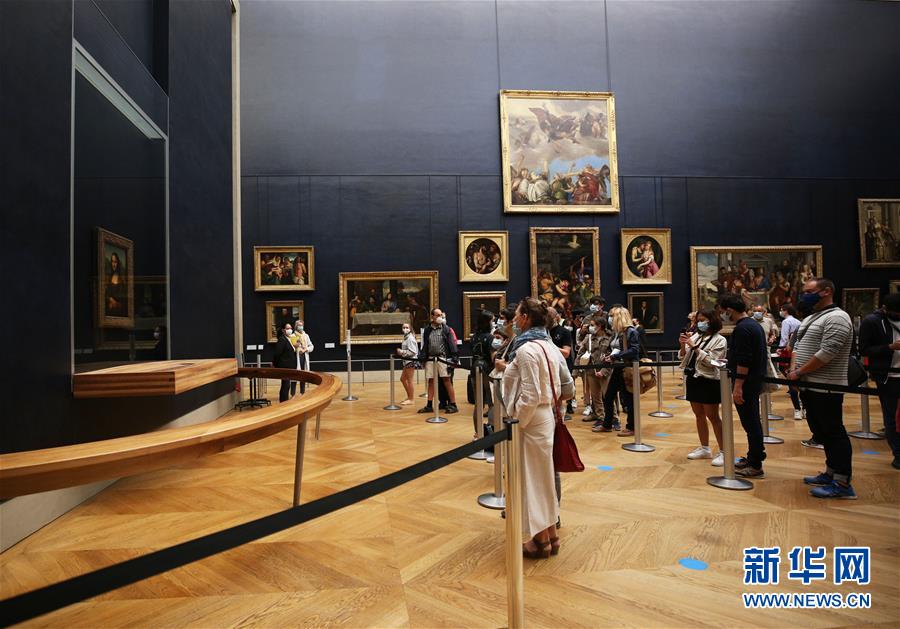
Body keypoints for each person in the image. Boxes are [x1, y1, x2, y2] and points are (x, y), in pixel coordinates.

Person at [501, 298, 571, 558]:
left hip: (532, 419)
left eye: (517, 314)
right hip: (545, 415)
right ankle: (551, 536)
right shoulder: (548, 345)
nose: (514, 319)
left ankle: (539, 541)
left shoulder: (527, 349)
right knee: (544, 479)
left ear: (526, 318)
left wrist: (517, 420)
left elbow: (530, 395)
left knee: (532, 480)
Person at [788, 278, 856, 498]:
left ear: (826, 291)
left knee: (834, 432)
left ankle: (843, 483)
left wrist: (799, 372)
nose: (804, 295)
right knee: (822, 432)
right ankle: (831, 472)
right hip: (810, 385)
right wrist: (795, 373)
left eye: (809, 291)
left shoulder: (838, 317)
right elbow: (798, 346)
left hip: (826, 385)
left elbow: (828, 352)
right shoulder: (812, 317)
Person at [720, 294, 768, 478]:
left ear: (729, 310)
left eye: (724, 312)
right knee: (752, 421)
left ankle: (755, 464)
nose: (723, 315)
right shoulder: (753, 325)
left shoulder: (742, 328)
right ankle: (752, 457)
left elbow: (745, 359)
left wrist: (738, 385)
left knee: (751, 422)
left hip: (747, 383)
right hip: (752, 380)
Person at [679, 309, 727, 466]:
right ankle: (705, 448)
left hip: (709, 380)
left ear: (712, 320)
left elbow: (713, 362)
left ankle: (724, 451)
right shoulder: (696, 336)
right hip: (694, 378)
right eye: (698, 320)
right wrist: (683, 345)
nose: (700, 323)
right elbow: (684, 356)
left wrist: (694, 347)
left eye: (703, 320)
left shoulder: (720, 340)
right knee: (698, 415)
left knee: (713, 416)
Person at [859, 293, 900, 469]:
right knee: (892, 417)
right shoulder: (872, 322)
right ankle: (898, 453)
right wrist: (890, 347)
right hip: (888, 377)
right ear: (885, 309)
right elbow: (864, 350)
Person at [593, 306, 641, 436]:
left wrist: (615, 356)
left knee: (628, 399)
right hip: (618, 367)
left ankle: (632, 427)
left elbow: (634, 350)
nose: (609, 318)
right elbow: (616, 349)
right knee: (608, 396)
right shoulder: (617, 332)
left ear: (619, 317)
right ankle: (607, 424)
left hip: (628, 368)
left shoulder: (631, 331)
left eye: (611, 316)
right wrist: (610, 356)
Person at [417, 308, 459, 414]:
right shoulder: (427, 330)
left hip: (443, 358)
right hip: (431, 358)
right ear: (432, 317)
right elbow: (425, 344)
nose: (440, 317)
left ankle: (453, 404)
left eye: (441, 315)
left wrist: (454, 358)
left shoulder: (446, 329)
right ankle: (429, 405)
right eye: (437, 315)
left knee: (447, 381)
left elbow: (451, 344)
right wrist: (423, 357)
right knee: (431, 381)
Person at [469, 309, 496, 435]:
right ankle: (491, 432)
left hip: (475, 369)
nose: (493, 323)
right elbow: (492, 357)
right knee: (491, 402)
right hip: (487, 371)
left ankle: (477, 432)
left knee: (478, 404)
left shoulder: (473, 337)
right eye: (492, 321)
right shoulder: (490, 337)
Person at [777, 304, 803, 419]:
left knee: (791, 377)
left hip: (790, 352)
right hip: (799, 351)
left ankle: (798, 408)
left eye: (782, 310)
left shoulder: (786, 322)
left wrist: (781, 348)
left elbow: (784, 337)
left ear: (786, 311)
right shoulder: (798, 321)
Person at [547, 307, 574, 419]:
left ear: (556, 317)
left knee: (558, 395)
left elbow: (566, 353)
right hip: (547, 366)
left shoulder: (564, 332)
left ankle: (559, 418)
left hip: (561, 367)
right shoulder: (543, 332)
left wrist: (550, 346)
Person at [273, 322, 299, 403]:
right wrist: (276, 364)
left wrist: (296, 347)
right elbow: (277, 353)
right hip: (285, 367)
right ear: (283, 330)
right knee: (285, 386)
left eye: (290, 328)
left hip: (289, 367)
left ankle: (284, 402)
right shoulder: (282, 339)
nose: (290, 330)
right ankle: (283, 403)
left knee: (286, 386)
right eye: (288, 328)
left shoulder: (289, 339)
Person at [289, 319, 314, 397]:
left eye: (301, 325)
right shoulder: (292, 336)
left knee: (303, 376)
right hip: (295, 358)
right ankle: (293, 394)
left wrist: (306, 349)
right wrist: (296, 347)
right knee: (294, 376)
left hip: (304, 357)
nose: (301, 327)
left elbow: (311, 346)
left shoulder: (306, 336)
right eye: (299, 325)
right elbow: (290, 348)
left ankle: (302, 393)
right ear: (296, 326)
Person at [396, 323, 419, 405]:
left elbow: (413, 352)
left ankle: (411, 399)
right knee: (402, 379)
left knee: (410, 380)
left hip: (410, 361)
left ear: (410, 328)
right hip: (406, 361)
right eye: (403, 327)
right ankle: (409, 396)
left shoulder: (410, 338)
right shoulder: (406, 337)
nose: (405, 329)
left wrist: (401, 352)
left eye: (407, 327)